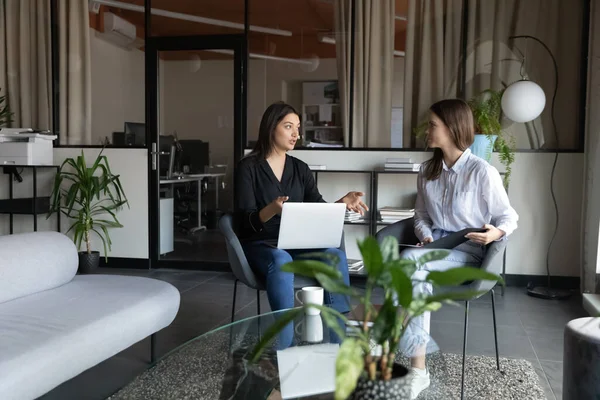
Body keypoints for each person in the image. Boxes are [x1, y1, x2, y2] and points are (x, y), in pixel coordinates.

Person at [401, 99, 518, 399]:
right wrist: (426, 236)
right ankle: (417, 369)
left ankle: (389, 333)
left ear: (452, 129)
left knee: (409, 262)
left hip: (469, 253)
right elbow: (421, 216)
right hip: (434, 251)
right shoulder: (428, 171)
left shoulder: (482, 172)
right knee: (414, 271)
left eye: (432, 125)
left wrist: (496, 232)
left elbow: (509, 217)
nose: (427, 130)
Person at [234, 101, 368, 316]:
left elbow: (318, 211)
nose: (296, 134)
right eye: (289, 127)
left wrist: (341, 203)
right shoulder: (247, 168)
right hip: (262, 246)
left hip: (298, 245)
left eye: (297, 128)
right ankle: (284, 330)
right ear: (271, 127)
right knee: (281, 259)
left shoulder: (300, 169)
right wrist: (272, 209)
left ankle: (339, 322)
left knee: (334, 256)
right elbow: (242, 223)